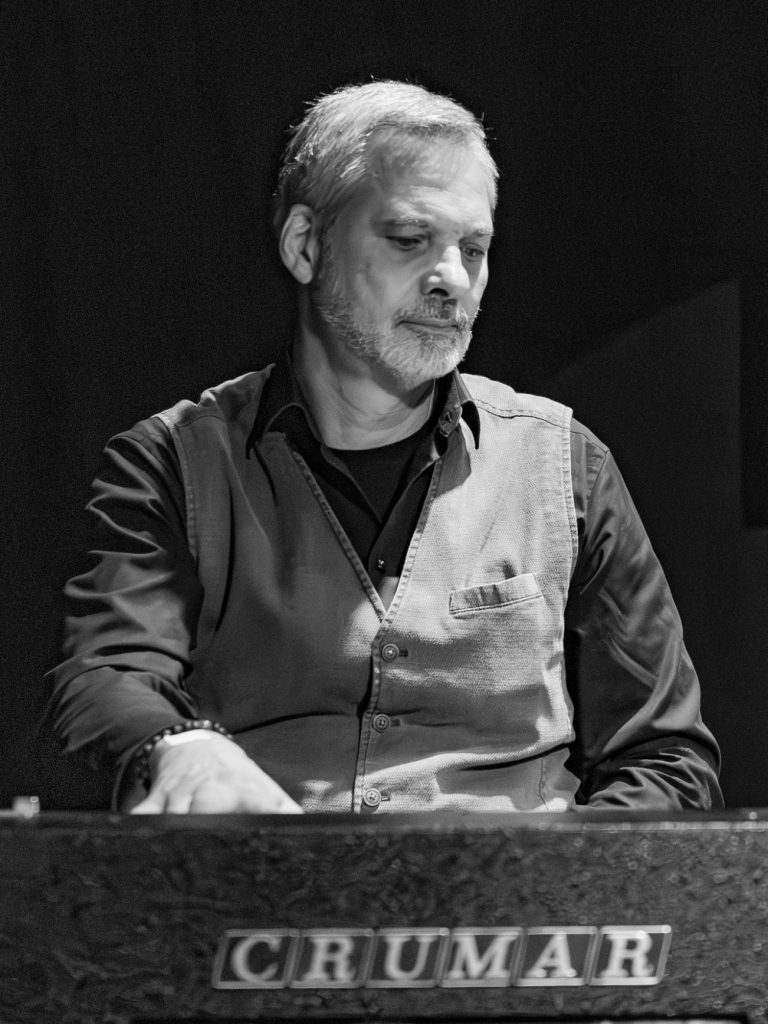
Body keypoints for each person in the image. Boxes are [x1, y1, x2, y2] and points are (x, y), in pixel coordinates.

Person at [48, 80, 722, 815]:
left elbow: (665, 758)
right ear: (305, 245)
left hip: (516, 888)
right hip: (270, 881)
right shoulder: (171, 463)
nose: (453, 281)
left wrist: (558, 878)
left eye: (474, 249)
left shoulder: (567, 466)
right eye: (409, 240)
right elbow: (109, 674)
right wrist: (178, 746)